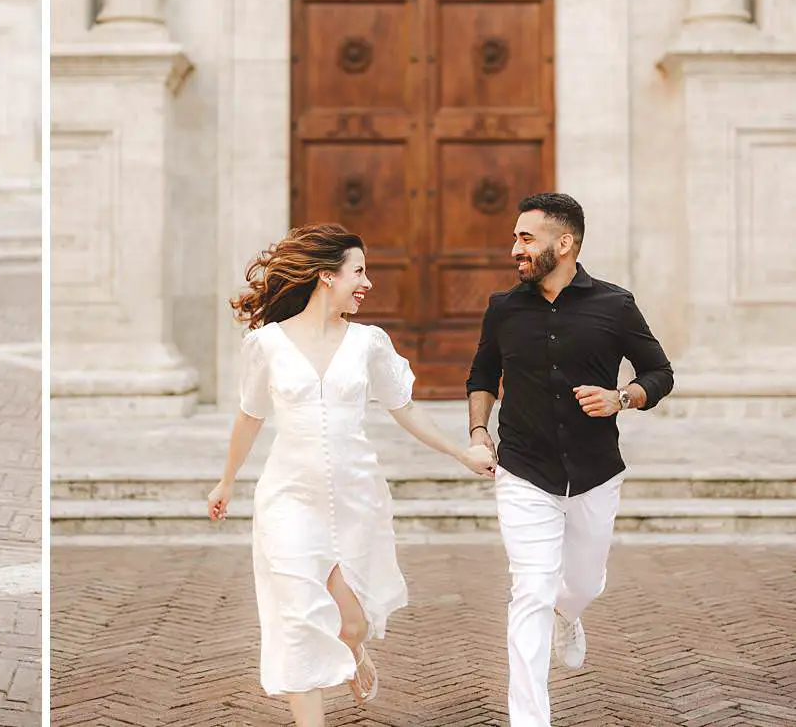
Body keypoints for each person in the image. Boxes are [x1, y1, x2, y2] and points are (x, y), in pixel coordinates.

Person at [208, 223, 494, 727]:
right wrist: (227, 480)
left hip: (356, 497)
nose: (367, 283)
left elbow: (405, 410)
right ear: (325, 276)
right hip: (289, 500)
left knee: (352, 624)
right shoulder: (267, 344)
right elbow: (249, 416)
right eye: (358, 271)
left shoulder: (369, 343)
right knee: (298, 618)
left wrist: (461, 452)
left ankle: (355, 653)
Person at [466, 192, 674, 727]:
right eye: (516, 237)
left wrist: (621, 398)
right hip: (524, 471)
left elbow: (660, 373)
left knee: (582, 584)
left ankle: (571, 612)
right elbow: (482, 376)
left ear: (565, 243)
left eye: (525, 238)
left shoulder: (615, 304)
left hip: (595, 473)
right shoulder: (503, 308)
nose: (515, 247)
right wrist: (478, 431)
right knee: (530, 588)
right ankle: (529, 719)